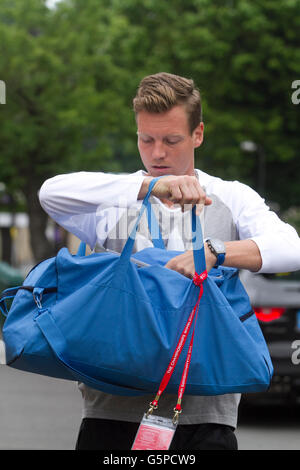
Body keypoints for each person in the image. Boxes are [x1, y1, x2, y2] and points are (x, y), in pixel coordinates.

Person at [39, 72, 300, 450]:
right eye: (147, 139)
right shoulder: (119, 197)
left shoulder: (230, 196)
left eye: (171, 140)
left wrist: (213, 253)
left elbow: (290, 245)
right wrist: (149, 186)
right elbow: (51, 193)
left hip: (206, 415)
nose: (157, 153)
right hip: (112, 413)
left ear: (198, 135)